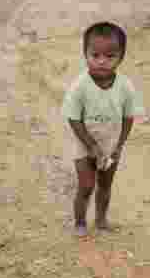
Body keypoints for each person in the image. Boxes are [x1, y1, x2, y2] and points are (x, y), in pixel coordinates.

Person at [62, 21, 144, 237]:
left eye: (110, 56)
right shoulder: (80, 86)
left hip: (110, 146)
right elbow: (73, 118)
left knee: (105, 186)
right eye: (95, 55)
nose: (101, 62)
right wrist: (91, 146)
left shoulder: (125, 86)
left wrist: (119, 145)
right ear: (85, 54)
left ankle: (101, 220)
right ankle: (80, 222)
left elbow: (128, 116)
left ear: (121, 57)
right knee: (87, 186)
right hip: (85, 145)